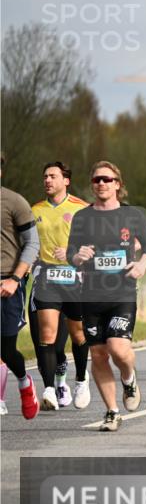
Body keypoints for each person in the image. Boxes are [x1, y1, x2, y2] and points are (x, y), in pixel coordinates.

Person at [68, 161, 146, 431]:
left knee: (117, 348)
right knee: (98, 353)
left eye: (106, 179)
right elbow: (72, 253)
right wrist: (77, 257)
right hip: (91, 294)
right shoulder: (82, 217)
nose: (101, 184)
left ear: (118, 184)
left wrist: (141, 264)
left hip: (122, 292)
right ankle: (112, 411)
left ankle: (129, 379)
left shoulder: (133, 215)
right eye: (96, 180)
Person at [29, 161, 91, 410]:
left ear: (66, 180)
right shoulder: (34, 210)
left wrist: (73, 251)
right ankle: (49, 389)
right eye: (44, 176)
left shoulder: (82, 209)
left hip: (74, 278)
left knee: (78, 334)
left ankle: (81, 380)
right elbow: (28, 243)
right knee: (47, 336)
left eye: (52, 176)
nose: (47, 180)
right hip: (46, 278)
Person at [1, 156, 41, 420]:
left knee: (5, 349)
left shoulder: (15, 201)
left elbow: (32, 244)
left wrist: (15, 278)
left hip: (7, 283)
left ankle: (24, 381)